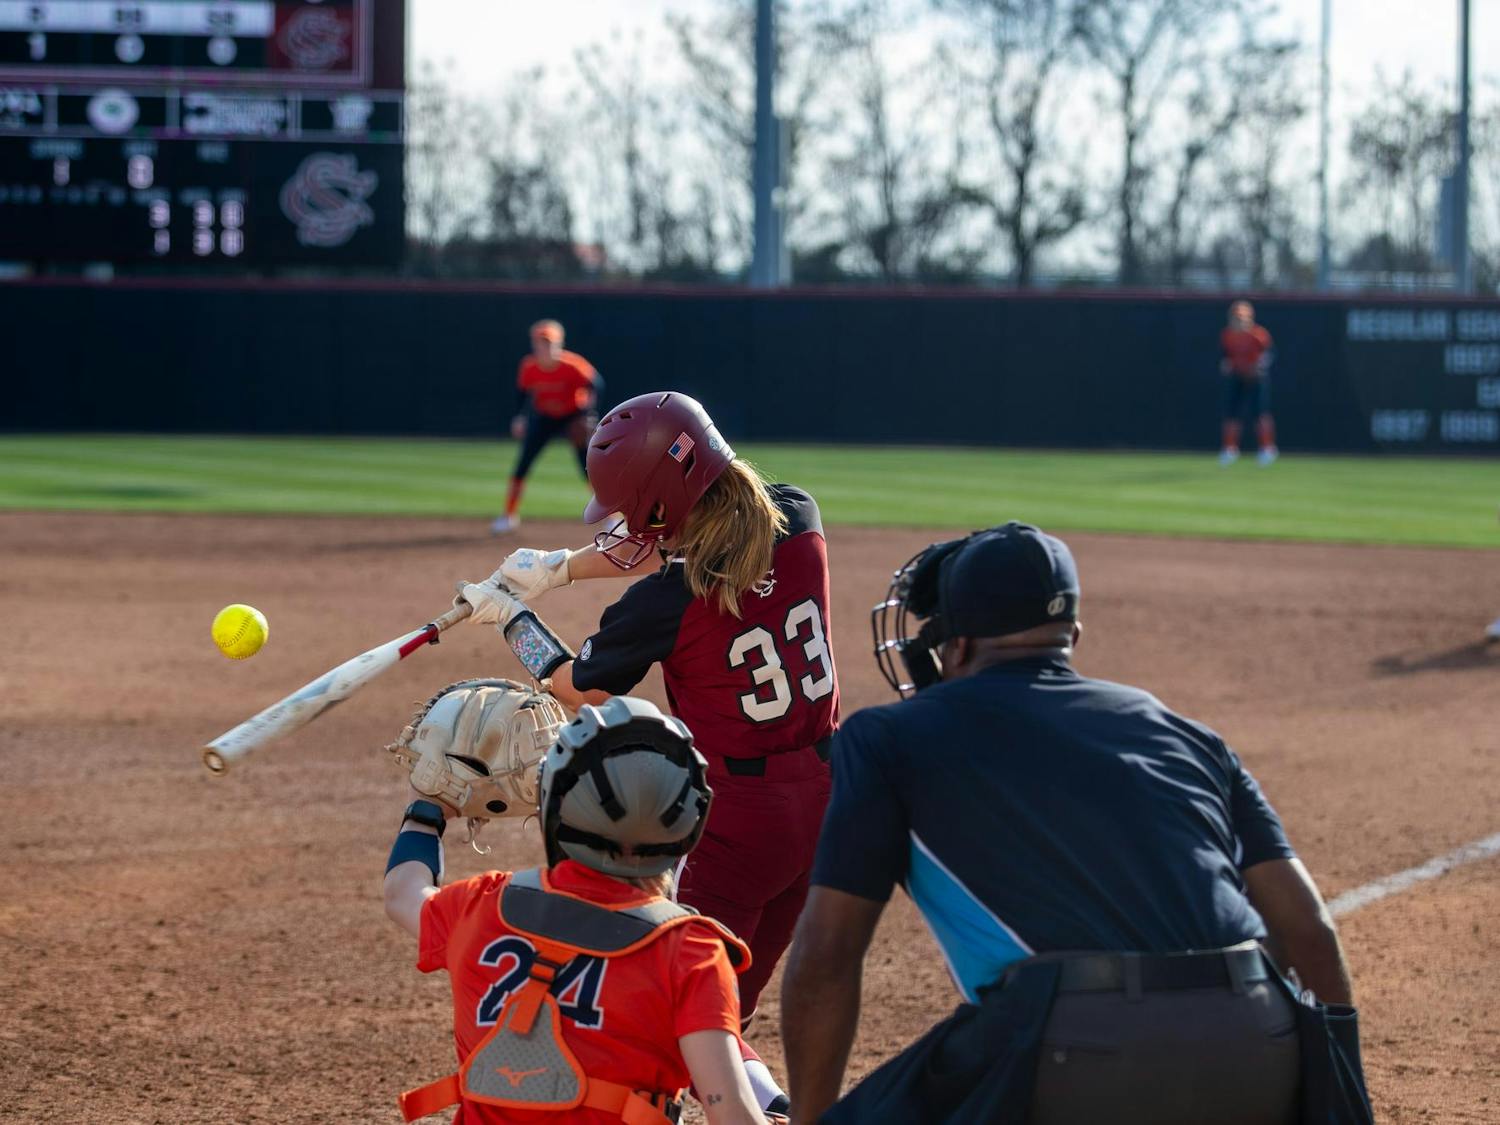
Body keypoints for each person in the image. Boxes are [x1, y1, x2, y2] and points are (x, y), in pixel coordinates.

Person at [781, 523, 1369, 1124]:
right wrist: (1341, 1099)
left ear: (955, 647)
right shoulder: (1189, 736)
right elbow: (1308, 928)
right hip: (1258, 1037)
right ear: (1071, 636)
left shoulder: (887, 739)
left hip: (1077, 1052)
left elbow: (827, 954)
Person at [458, 391, 840, 1118]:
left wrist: (512, 616)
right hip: (827, 798)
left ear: (662, 507)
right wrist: (561, 567)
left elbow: (574, 681)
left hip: (740, 824)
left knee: (682, 1009)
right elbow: (680, 542)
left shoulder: (664, 602)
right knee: (729, 999)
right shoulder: (798, 516)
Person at [383, 691, 772, 1125]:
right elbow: (732, 1112)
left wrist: (427, 806)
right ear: (689, 819)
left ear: (555, 800)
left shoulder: (480, 905)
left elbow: (403, 892)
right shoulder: (692, 953)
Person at [492, 319, 603, 535]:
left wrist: (590, 414)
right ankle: (508, 516)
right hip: (544, 416)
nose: (544, 347)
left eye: (548, 343)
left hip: (573, 416)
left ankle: (610, 517)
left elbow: (597, 385)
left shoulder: (572, 365)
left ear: (558, 344)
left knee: (588, 468)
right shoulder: (529, 366)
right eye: (540, 343)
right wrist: (520, 416)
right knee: (523, 464)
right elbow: (522, 393)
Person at [1220, 299, 1278, 466]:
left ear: (1249, 318)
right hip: (1237, 376)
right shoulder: (1227, 335)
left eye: (1242, 318)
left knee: (1260, 413)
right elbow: (1226, 355)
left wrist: (1259, 366)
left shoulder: (1259, 334)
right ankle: (1229, 449)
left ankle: (1267, 448)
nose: (1239, 321)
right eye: (1236, 317)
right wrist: (1226, 363)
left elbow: (1270, 354)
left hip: (1256, 378)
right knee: (1231, 414)